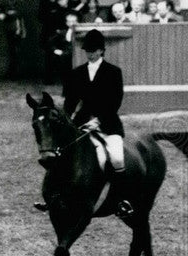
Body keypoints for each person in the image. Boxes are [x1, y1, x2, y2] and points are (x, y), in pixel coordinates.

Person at [40, 28, 130, 216]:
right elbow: (70, 103)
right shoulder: (77, 73)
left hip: (108, 123)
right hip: (80, 123)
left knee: (117, 157)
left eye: (93, 50)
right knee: (59, 152)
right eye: (87, 50)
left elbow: (115, 101)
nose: (90, 53)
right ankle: (53, 195)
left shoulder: (113, 72)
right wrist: (67, 121)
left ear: (101, 50)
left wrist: (98, 121)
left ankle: (121, 200)